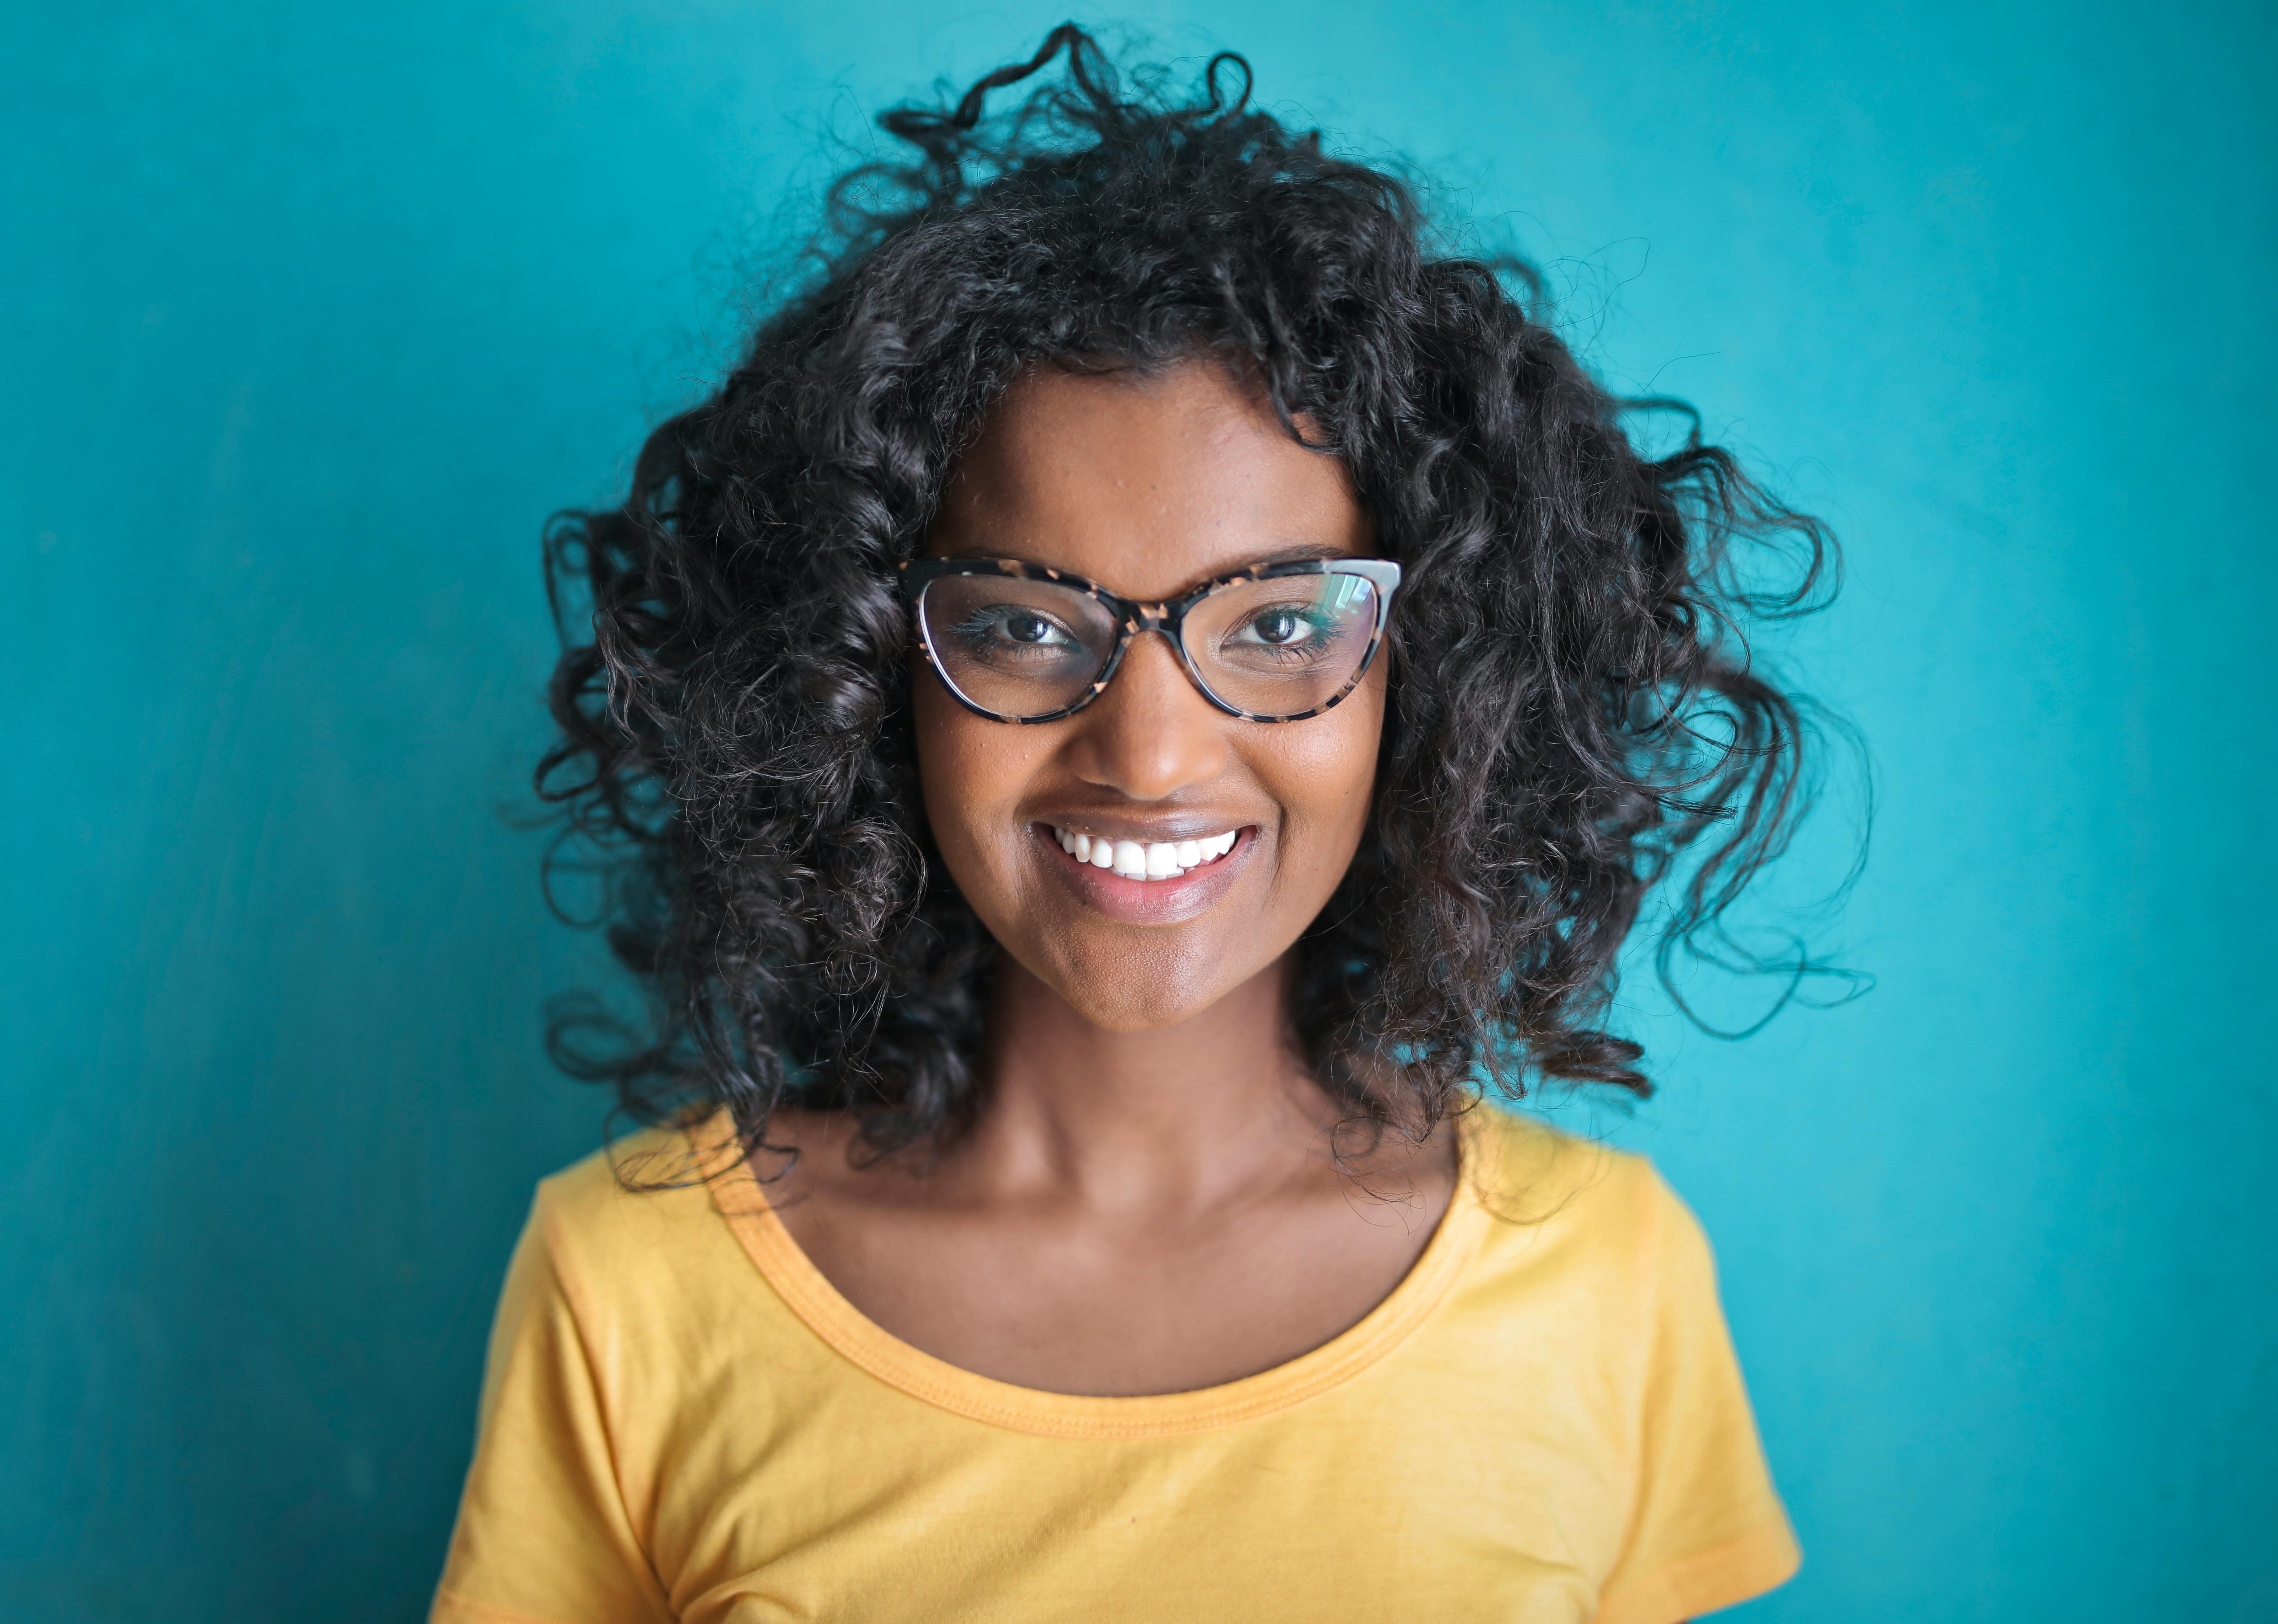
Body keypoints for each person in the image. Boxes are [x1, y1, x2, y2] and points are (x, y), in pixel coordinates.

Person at [433, 27, 1834, 1624]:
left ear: (1433, 679)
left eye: (1284, 626)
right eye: (1028, 623)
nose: (1153, 754)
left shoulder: (1604, 1278)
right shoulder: (633, 1286)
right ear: (861, 668)